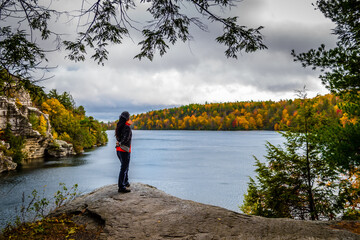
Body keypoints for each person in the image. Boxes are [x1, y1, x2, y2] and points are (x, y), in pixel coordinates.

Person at [115, 111, 132, 193]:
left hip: (118, 150)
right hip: (124, 150)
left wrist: (119, 143)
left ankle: (125, 182)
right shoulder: (127, 127)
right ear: (127, 118)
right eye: (129, 117)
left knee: (125, 167)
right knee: (124, 168)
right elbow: (125, 139)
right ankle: (121, 187)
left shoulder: (119, 126)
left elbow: (119, 138)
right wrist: (121, 143)